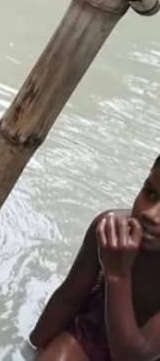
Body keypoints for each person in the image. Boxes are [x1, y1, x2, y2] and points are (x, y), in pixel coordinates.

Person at [30, 155, 160, 361]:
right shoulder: (110, 229)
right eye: (150, 193)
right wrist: (34, 346)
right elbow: (69, 297)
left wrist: (117, 274)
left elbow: (135, 357)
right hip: (97, 329)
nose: (151, 215)